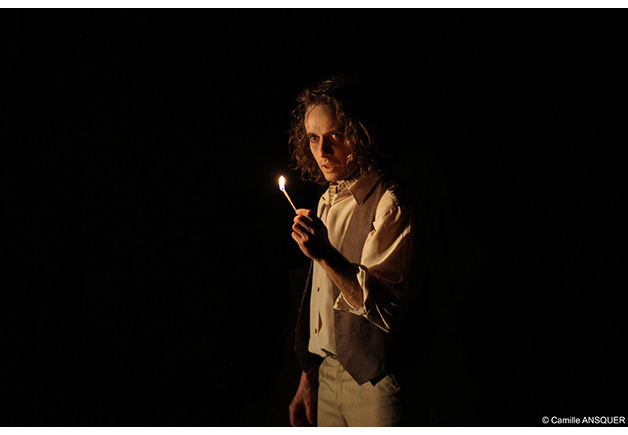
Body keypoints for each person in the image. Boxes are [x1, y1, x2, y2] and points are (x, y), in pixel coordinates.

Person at [287, 76, 432, 427]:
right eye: (313, 137)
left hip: (377, 382)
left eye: (336, 135)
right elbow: (322, 306)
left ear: (362, 134)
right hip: (326, 374)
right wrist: (309, 374)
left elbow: (386, 309)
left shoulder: (392, 202)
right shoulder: (327, 198)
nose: (322, 151)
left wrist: (324, 254)